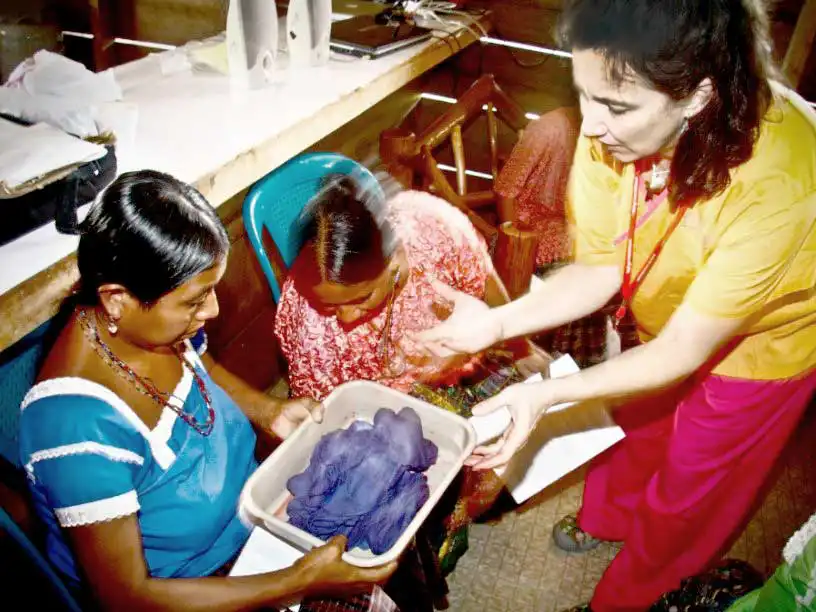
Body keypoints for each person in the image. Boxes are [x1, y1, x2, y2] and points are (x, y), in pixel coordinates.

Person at [415, 0, 816, 610]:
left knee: (694, 485)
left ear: (699, 96)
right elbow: (602, 267)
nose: (593, 125)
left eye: (618, 107)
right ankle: (608, 516)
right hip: (672, 311)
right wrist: (495, 321)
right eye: (586, 95)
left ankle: (629, 597)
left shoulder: (785, 183)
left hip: (769, 343)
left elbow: (685, 349)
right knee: (638, 417)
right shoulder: (612, 126)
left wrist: (543, 394)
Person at [18, 170, 396, 612]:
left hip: (248, 514)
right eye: (196, 300)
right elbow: (127, 596)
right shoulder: (75, 432)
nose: (213, 311)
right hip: (191, 586)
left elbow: (202, 365)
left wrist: (267, 410)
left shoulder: (150, 327)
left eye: (211, 291)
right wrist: (297, 580)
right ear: (116, 297)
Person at [273, 175, 550, 577]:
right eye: (331, 306)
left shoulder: (430, 228)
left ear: (396, 257)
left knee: (516, 421)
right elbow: (336, 417)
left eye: (362, 297)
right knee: (417, 482)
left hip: (459, 356)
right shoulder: (310, 325)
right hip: (385, 404)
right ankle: (438, 543)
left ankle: (464, 512)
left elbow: (485, 280)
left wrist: (519, 342)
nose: (347, 318)